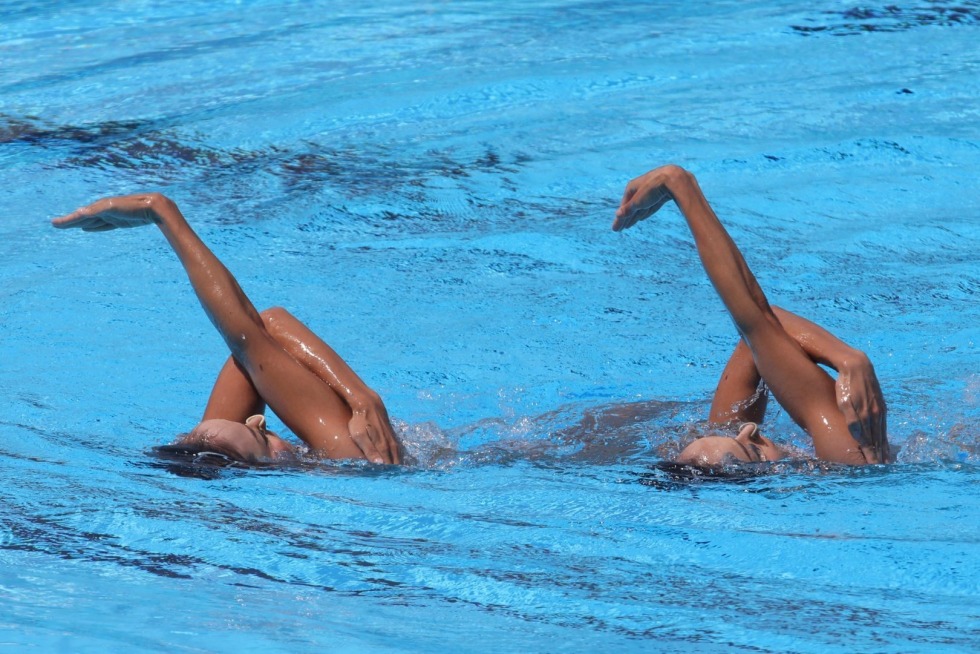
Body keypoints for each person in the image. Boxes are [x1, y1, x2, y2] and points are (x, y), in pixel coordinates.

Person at [53, 193, 401, 465]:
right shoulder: (355, 457)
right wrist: (161, 212)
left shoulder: (233, 480)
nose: (258, 421)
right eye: (262, 439)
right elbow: (263, 328)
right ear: (265, 470)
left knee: (245, 366)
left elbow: (255, 337)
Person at [612, 164, 889, 466]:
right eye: (752, 450)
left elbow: (757, 339)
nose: (750, 430)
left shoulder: (761, 460)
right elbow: (757, 323)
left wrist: (846, 359)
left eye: (737, 437)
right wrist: (680, 186)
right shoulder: (851, 461)